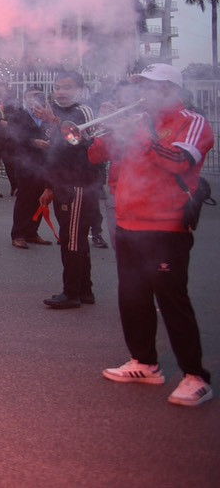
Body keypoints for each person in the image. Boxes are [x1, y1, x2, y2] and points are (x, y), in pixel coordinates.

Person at [90, 64, 214, 406]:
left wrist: (140, 135)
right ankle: (144, 362)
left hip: (166, 225)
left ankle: (195, 376)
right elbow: (95, 155)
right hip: (130, 223)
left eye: (154, 87)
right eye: (142, 86)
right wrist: (104, 133)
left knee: (172, 299)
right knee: (132, 296)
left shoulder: (191, 121)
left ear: (173, 90)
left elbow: (179, 161)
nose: (145, 93)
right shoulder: (138, 122)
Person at [39, 71, 103, 309]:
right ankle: (85, 291)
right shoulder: (55, 113)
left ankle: (71, 292)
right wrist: (49, 186)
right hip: (62, 184)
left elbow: (87, 146)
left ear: (79, 90)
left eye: (67, 87)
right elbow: (54, 154)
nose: (61, 92)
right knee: (72, 239)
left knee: (72, 241)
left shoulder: (83, 112)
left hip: (79, 185)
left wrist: (55, 123)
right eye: (57, 87)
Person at [8, 90, 54, 249]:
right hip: (25, 163)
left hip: (44, 163)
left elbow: (56, 134)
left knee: (40, 198)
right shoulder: (17, 116)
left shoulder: (47, 116)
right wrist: (33, 142)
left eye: (39, 96)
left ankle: (32, 232)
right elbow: (13, 137)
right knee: (25, 198)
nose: (35, 99)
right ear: (25, 98)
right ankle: (18, 234)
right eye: (32, 96)